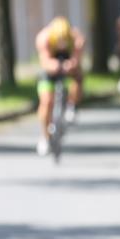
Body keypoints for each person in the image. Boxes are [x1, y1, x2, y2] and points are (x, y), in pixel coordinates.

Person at [34, 16, 85, 156]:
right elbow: (44, 61)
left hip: (68, 62)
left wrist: (71, 65)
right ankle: (45, 137)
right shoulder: (44, 39)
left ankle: (72, 106)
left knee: (79, 77)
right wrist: (54, 66)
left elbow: (77, 58)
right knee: (46, 102)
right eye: (59, 41)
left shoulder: (76, 38)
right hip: (50, 66)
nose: (62, 44)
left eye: (65, 41)